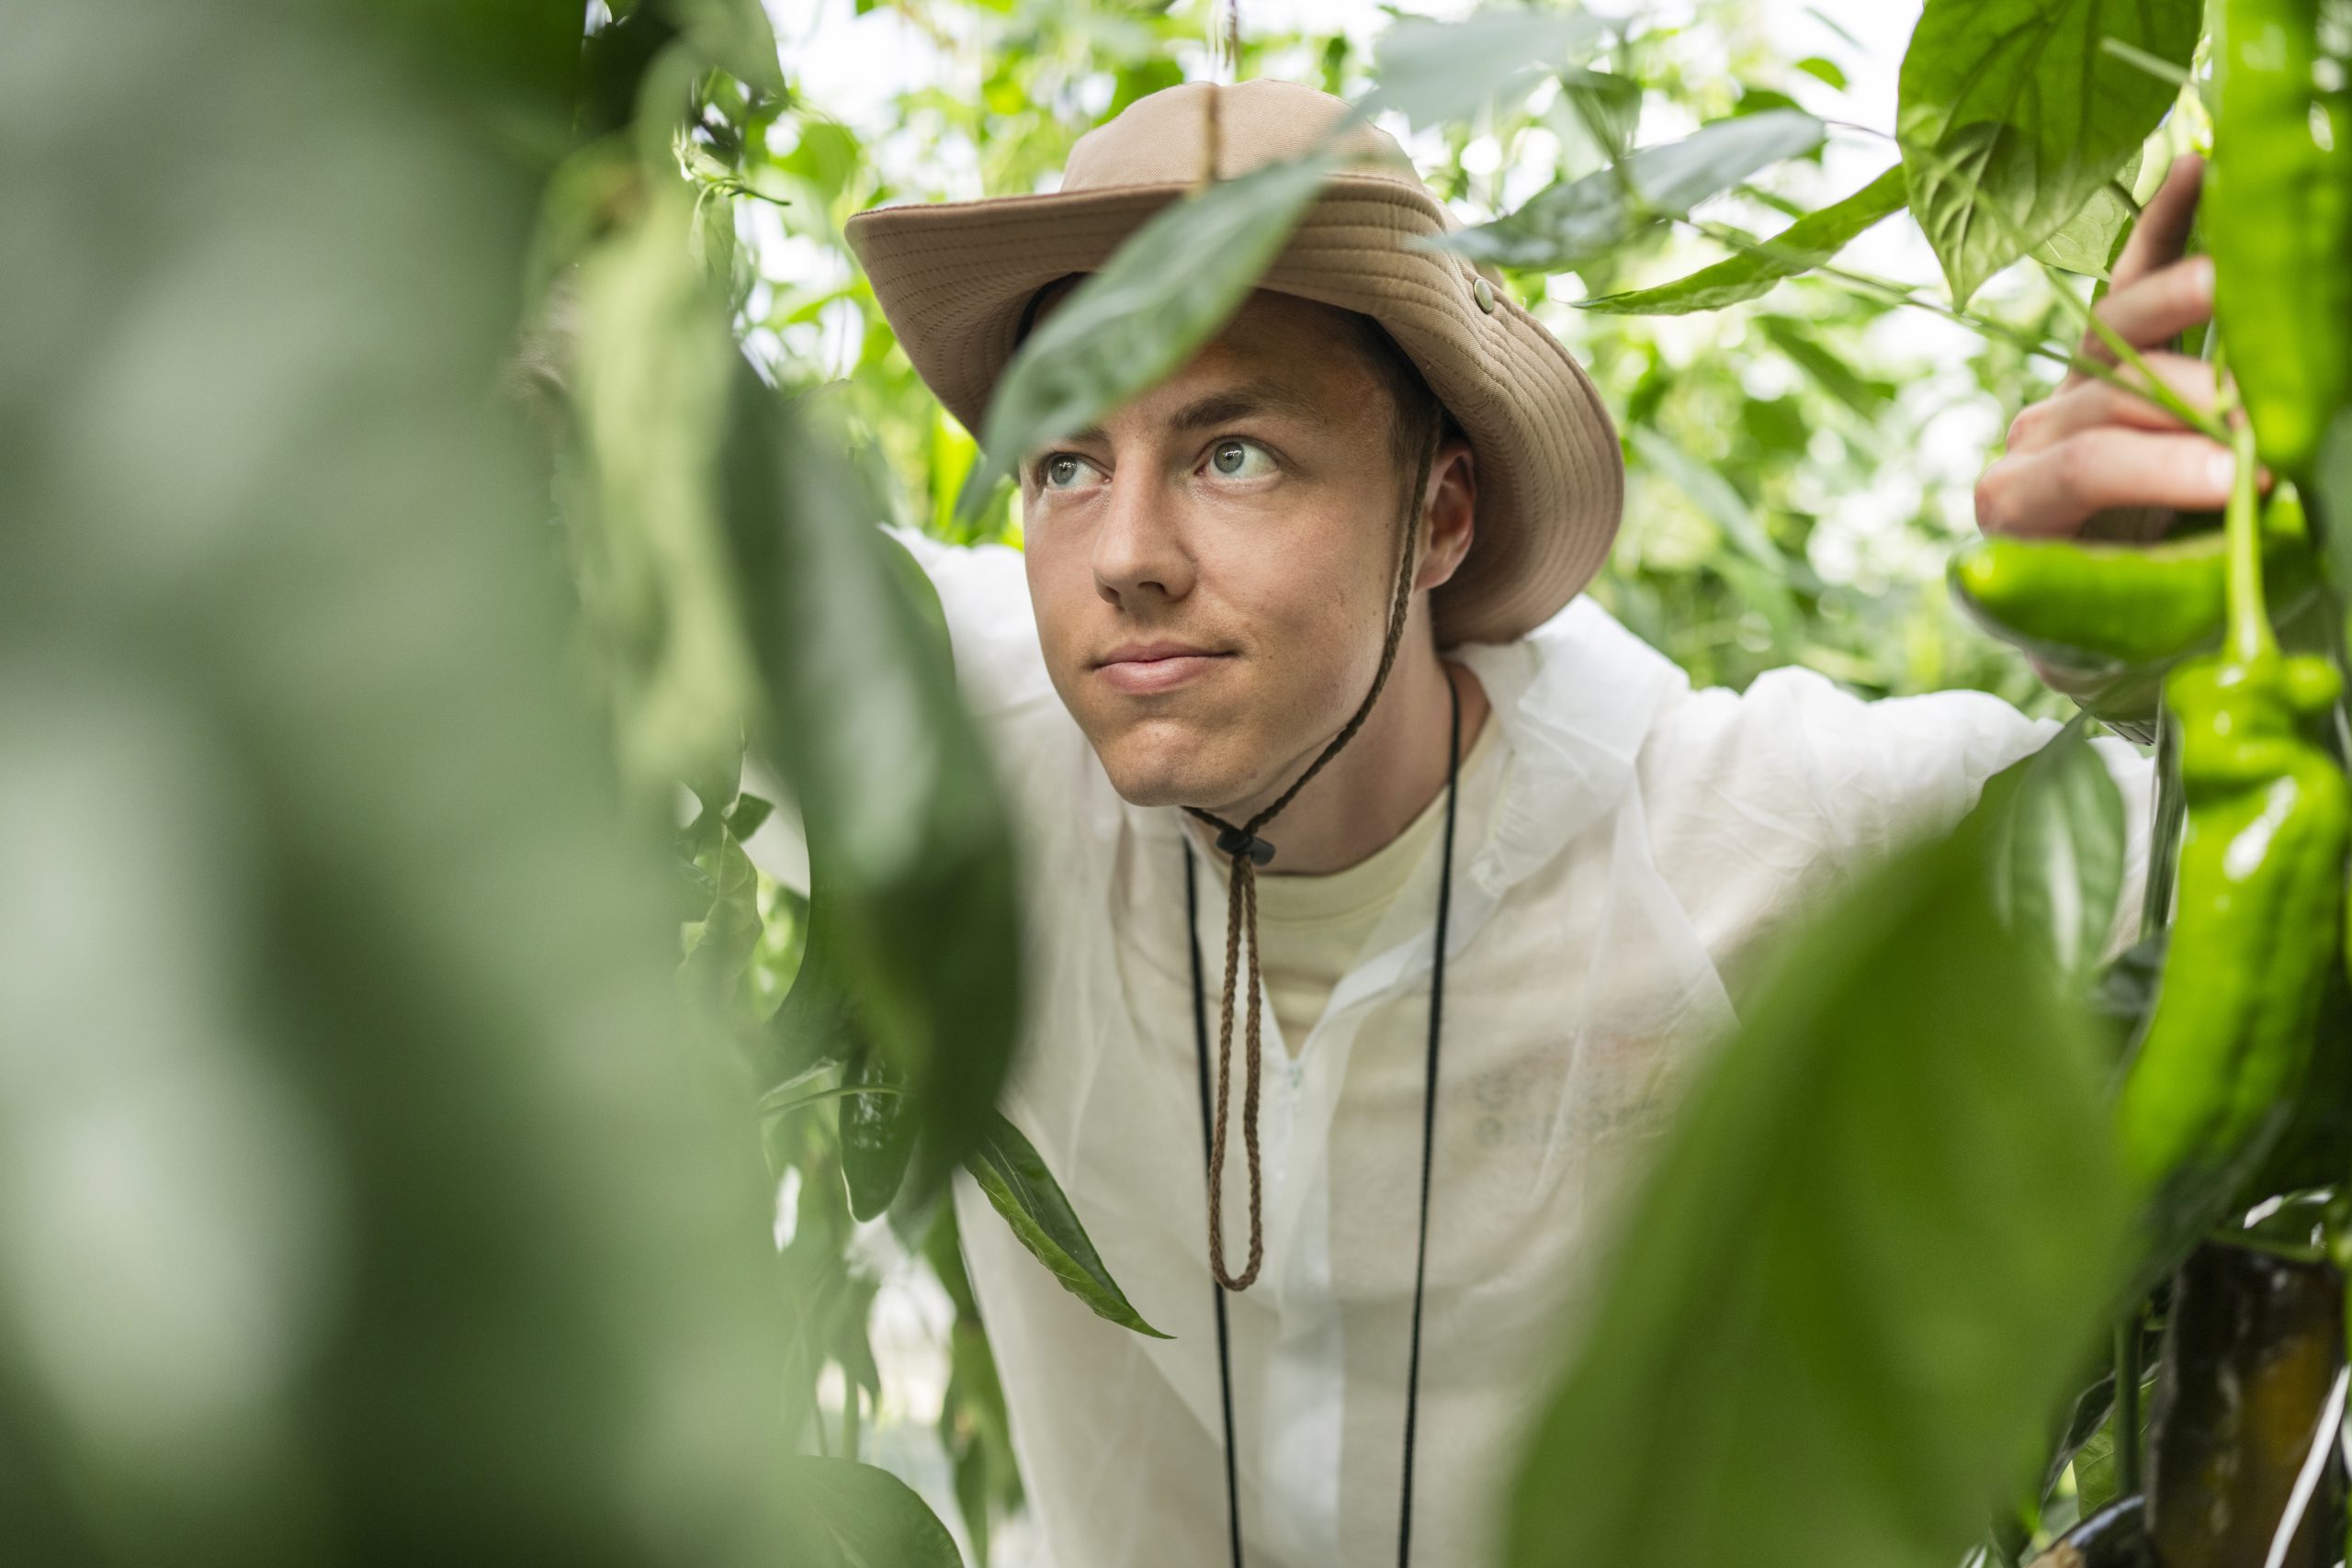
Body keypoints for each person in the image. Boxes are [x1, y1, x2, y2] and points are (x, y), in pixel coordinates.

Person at [838, 79, 2208, 1566]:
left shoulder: (1761, 831)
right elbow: (660, 517)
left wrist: (2180, 652)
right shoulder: (957, 742)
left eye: (1234, 454)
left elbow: (2252, 890)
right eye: (1066, 464)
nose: (1127, 556)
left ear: (1440, 516)